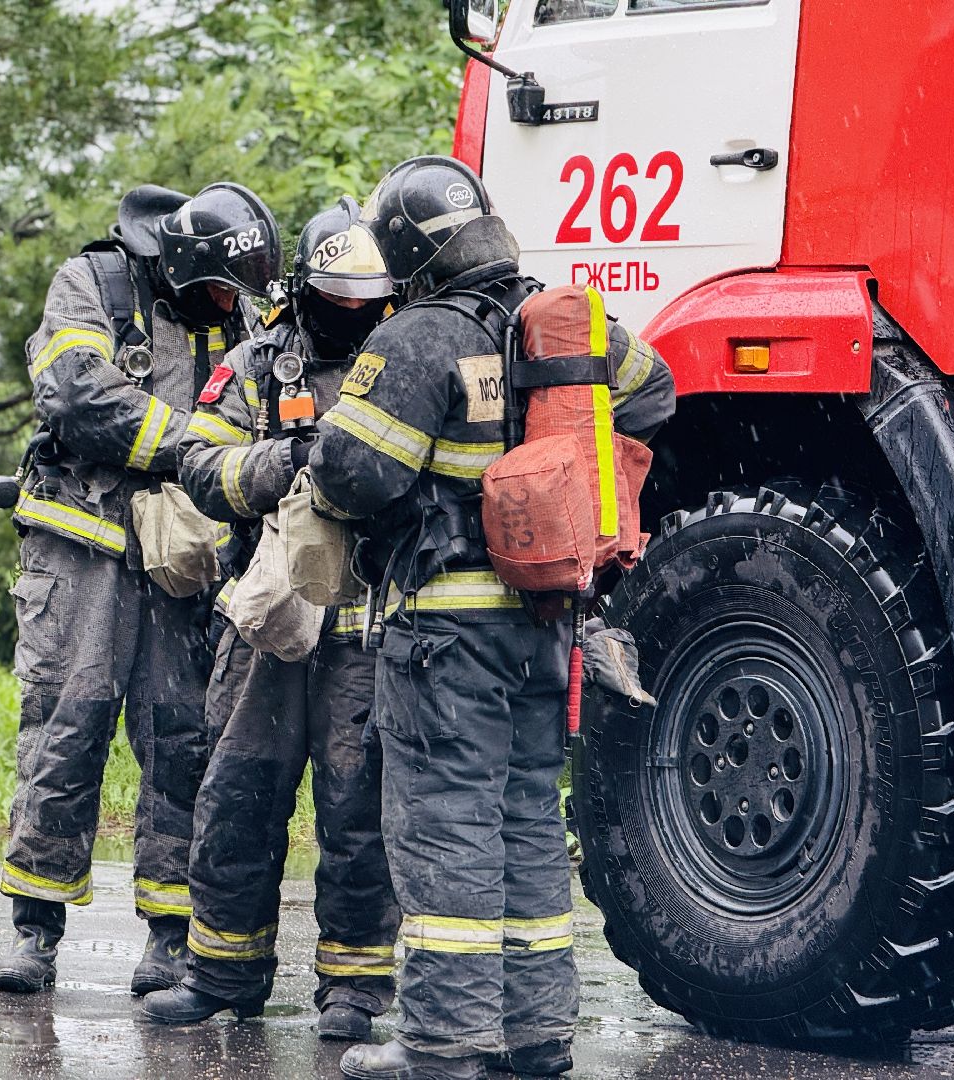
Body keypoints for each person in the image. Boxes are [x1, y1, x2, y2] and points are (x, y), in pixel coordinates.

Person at [307, 157, 582, 1080]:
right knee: (528, 821)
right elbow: (654, 393)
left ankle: (445, 1046)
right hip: (544, 625)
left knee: (446, 832)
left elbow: (350, 473)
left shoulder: (422, 337)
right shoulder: (559, 323)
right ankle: (536, 1038)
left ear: (412, 254)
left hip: (446, 634)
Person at [0, 182, 281, 997]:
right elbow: (77, 393)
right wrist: (195, 447)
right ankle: (35, 929)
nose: (232, 304)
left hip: (182, 562)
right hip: (78, 545)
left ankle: (169, 936)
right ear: (183, 264)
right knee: (64, 727)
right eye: (222, 289)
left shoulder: (236, 314)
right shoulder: (92, 283)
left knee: (183, 739)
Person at [140, 200, 401, 1041]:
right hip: (268, 621)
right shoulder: (261, 362)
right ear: (305, 288)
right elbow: (198, 462)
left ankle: (355, 989)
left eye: (369, 298)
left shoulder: (402, 356)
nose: (354, 313)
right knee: (237, 793)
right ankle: (221, 974)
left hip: (365, 624)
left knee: (358, 807)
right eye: (340, 297)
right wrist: (283, 461)